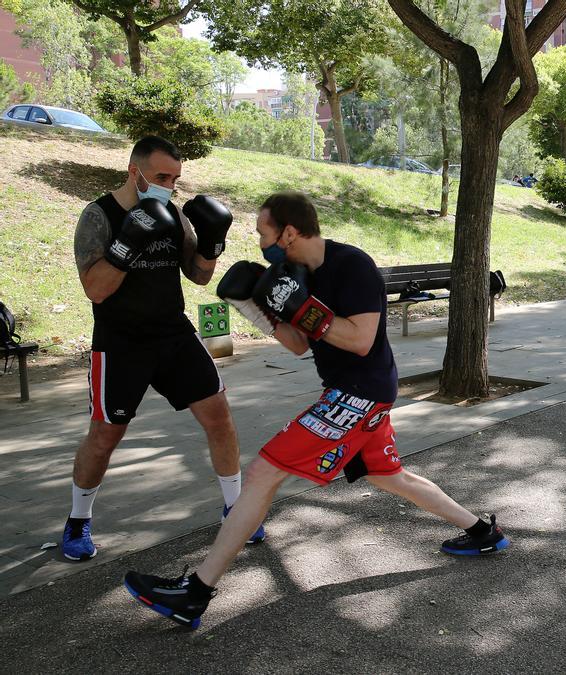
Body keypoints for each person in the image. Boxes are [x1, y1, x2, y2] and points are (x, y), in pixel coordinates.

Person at [123, 191, 509, 629]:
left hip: (361, 391)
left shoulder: (353, 267)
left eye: (263, 233)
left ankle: (195, 593)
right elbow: (298, 344)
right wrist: (256, 308)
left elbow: (361, 339)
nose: (259, 243)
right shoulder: (291, 273)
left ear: (289, 232)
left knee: (263, 473)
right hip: (353, 390)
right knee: (389, 475)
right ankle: (482, 531)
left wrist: (302, 308)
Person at [64, 135, 259, 562]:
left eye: (175, 178)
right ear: (135, 172)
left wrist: (211, 242)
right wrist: (126, 245)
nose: (170, 186)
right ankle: (78, 520)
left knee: (220, 418)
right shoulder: (99, 215)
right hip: (120, 342)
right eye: (161, 177)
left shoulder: (172, 211)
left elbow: (199, 276)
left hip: (173, 334)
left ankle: (236, 507)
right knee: (104, 436)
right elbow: (96, 290)